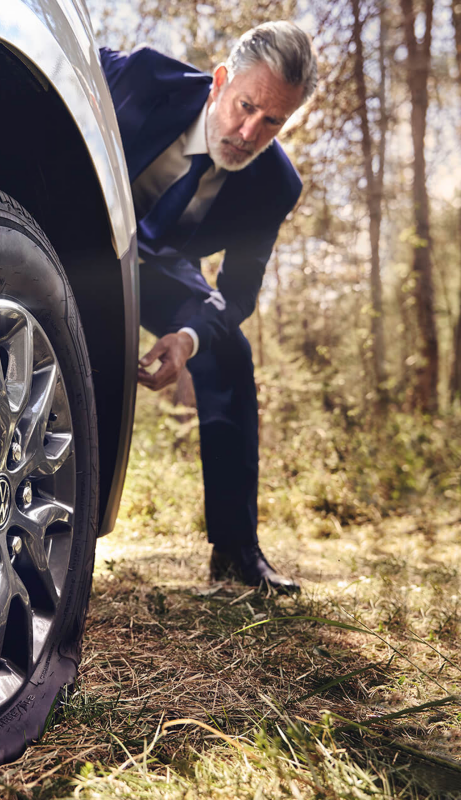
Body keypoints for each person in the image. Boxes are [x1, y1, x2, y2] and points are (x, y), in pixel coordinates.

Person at [101, 22, 318, 593]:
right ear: (220, 82)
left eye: (272, 121)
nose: (249, 132)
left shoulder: (275, 186)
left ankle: (236, 552)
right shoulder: (144, 78)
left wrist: (189, 338)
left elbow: (240, 290)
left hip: (160, 270)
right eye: (245, 106)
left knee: (229, 351)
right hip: (81, 238)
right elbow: (57, 73)